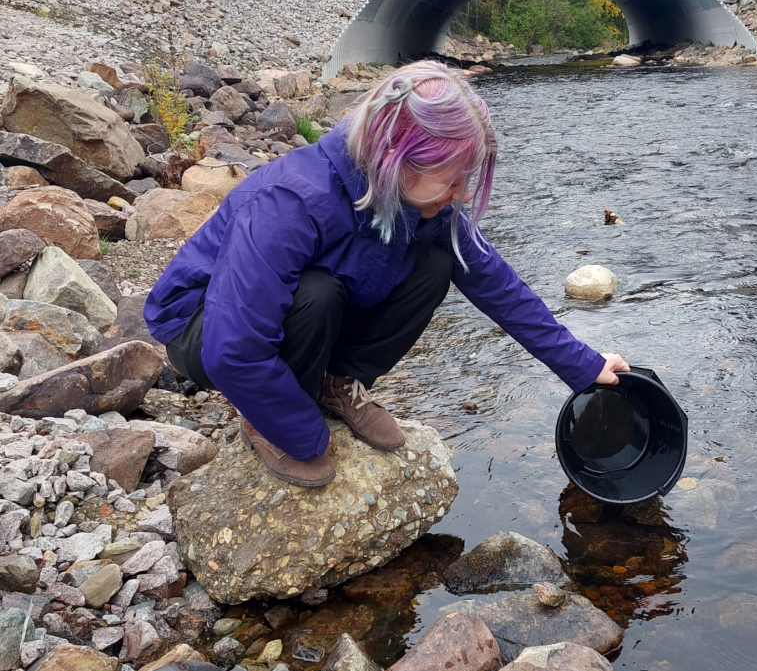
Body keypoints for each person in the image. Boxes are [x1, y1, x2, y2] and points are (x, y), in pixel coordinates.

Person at [144, 60, 629, 487]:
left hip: (303, 310)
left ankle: (336, 382)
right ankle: (266, 413)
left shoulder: (421, 203)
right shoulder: (290, 200)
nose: (462, 194)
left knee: (439, 263)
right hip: (204, 329)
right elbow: (234, 349)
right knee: (317, 292)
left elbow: (498, 286)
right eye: (453, 179)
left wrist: (582, 366)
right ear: (396, 161)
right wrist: (302, 432)